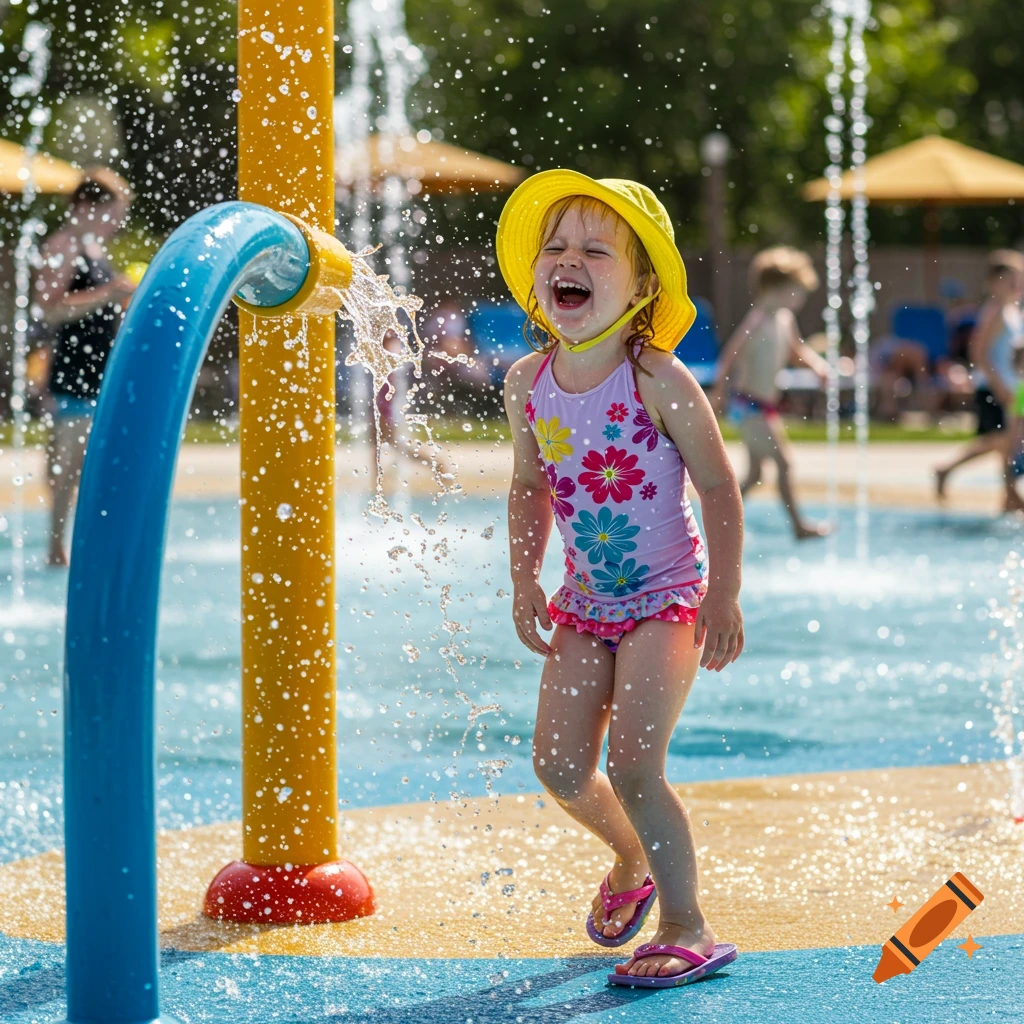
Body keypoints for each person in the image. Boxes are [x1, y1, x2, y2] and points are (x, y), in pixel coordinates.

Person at [497, 171, 743, 986]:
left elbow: (716, 483)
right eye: (556, 249)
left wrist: (725, 592)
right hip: (586, 601)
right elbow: (531, 485)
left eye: (597, 251)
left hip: (667, 600)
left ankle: (687, 924)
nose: (570, 260)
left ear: (641, 287)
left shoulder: (657, 378)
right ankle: (629, 855)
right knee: (559, 766)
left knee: (636, 765)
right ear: (538, 277)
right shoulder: (526, 383)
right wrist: (524, 577)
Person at [33, 167, 136, 565]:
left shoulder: (93, 250)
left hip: (98, 375)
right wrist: (109, 291)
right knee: (66, 472)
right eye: (114, 212)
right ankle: (55, 550)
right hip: (74, 377)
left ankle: (78, 545)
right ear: (86, 206)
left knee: (82, 469)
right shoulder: (63, 245)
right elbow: (50, 308)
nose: (118, 222)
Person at [709, 246, 831, 540]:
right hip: (748, 405)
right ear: (776, 288)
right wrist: (719, 395)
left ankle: (718, 523)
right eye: (797, 290)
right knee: (784, 463)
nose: (801, 298)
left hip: (762, 406)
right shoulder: (758, 319)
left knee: (755, 475)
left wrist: (818, 366)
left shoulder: (784, 319)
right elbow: (729, 356)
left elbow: (796, 350)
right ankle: (799, 527)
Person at [935, 250, 1024, 508]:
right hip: (992, 385)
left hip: (1009, 386)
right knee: (1003, 440)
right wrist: (999, 386)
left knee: (1007, 442)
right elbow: (978, 352)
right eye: (1011, 280)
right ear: (994, 282)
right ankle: (948, 469)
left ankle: (1009, 495)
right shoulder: (994, 311)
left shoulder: (1012, 311)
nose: (1017, 286)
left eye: (1019, 280)